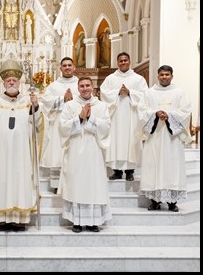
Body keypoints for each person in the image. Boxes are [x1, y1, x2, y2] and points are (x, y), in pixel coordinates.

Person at [0, 59, 45, 232]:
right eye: (8, 80)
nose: (12, 82)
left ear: (19, 82)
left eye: (14, 79)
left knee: (20, 181)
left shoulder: (28, 102)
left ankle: (19, 220)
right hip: (1, 154)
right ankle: (2, 219)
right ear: (3, 83)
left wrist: (36, 107)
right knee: (3, 180)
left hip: (22, 154)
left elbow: (37, 125)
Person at [58, 77, 112, 233]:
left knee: (93, 184)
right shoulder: (70, 106)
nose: (85, 88)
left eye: (88, 85)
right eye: (82, 86)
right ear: (78, 88)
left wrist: (90, 118)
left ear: (93, 87)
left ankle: (93, 221)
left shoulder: (101, 106)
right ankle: (76, 221)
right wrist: (79, 118)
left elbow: (107, 126)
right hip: (75, 149)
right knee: (76, 183)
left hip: (94, 149)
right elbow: (62, 127)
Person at [139, 65, 192, 212]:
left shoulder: (180, 93)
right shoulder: (149, 93)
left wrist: (169, 115)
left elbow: (186, 111)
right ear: (158, 76)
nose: (164, 77)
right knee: (153, 166)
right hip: (155, 136)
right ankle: (154, 201)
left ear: (172, 76)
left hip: (172, 139)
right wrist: (156, 114)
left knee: (172, 167)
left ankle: (172, 202)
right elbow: (142, 111)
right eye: (161, 75)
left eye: (167, 75)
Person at [100, 52, 147, 181]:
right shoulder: (110, 78)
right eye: (121, 61)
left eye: (125, 60)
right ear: (117, 62)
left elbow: (145, 96)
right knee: (116, 142)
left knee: (131, 142)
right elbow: (104, 93)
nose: (123, 63)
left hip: (132, 116)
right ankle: (117, 171)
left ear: (129, 61)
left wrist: (130, 92)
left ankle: (130, 171)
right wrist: (117, 92)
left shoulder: (138, 79)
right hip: (115, 116)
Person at [41, 57, 79, 193]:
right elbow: (46, 102)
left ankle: (74, 184)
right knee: (58, 152)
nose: (67, 67)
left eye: (70, 65)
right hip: (58, 124)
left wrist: (73, 99)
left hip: (76, 124)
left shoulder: (80, 84)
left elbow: (87, 100)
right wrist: (63, 99)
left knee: (75, 152)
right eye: (64, 65)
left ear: (74, 67)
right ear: (60, 68)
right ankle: (57, 184)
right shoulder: (53, 86)